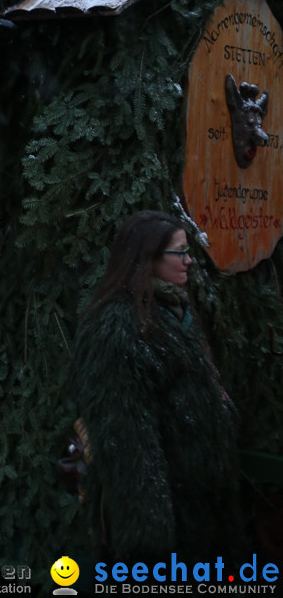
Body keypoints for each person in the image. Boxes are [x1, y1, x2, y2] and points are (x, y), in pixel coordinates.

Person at [73, 210, 240, 562]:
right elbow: (129, 442)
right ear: (147, 258)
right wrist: (150, 543)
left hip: (201, 510)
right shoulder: (116, 326)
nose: (190, 260)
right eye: (180, 252)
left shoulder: (176, 310)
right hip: (165, 525)